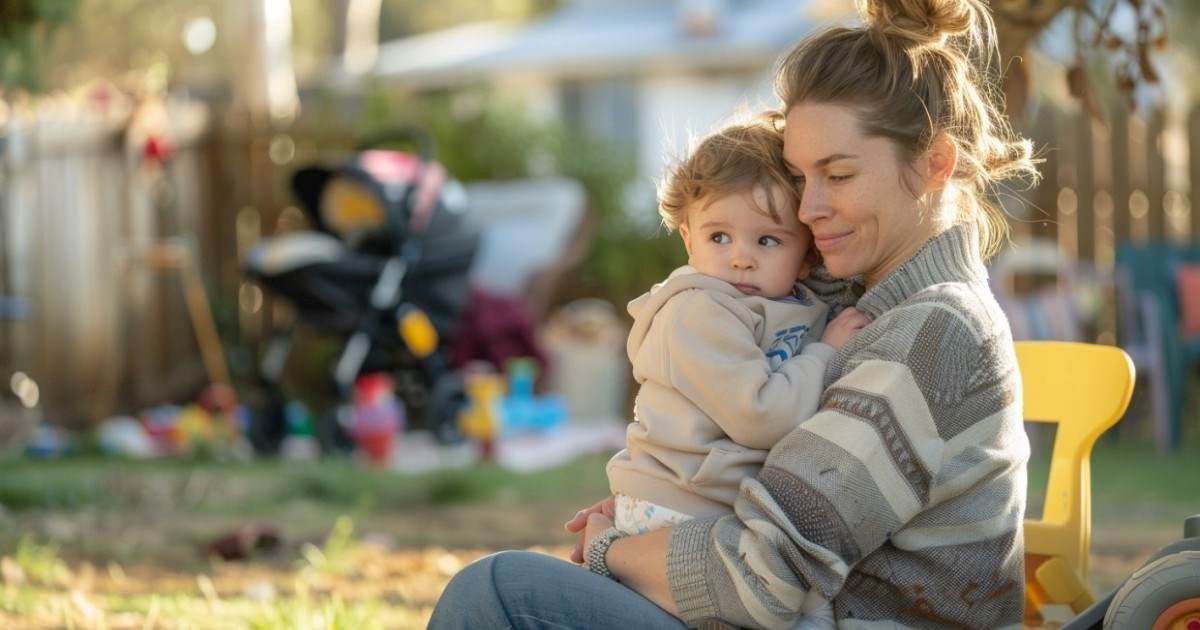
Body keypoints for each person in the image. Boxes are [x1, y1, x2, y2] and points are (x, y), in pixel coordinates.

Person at [429, 0, 1039, 626]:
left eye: (840, 174)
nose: (809, 209)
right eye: (802, 179)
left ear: (936, 164)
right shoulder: (846, 302)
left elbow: (759, 579)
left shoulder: (933, 331)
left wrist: (615, 549)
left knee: (498, 593)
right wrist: (652, 504)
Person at [607, 114, 868, 629]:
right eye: (719, 236)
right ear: (688, 239)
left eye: (767, 241)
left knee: (810, 602)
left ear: (806, 255)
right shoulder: (698, 312)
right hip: (680, 507)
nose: (741, 259)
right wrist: (824, 354)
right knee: (795, 607)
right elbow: (760, 417)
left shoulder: (794, 304)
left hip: (723, 502)